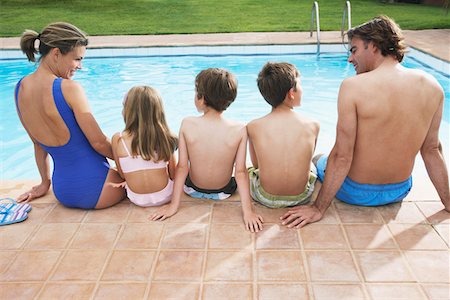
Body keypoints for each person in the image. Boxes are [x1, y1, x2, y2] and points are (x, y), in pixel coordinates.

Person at [281, 15, 450, 228]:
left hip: (354, 192)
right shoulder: (433, 86)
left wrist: (318, 208)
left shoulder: (353, 87)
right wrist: (448, 202)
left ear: (373, 46)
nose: (350, 59)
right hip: (399, 190)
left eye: (354, 50)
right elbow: (432, 149)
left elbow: (343, 156)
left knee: (319, 159)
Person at [15, 22, 126, 209]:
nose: (80, 66)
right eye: (77, 59)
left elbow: (37, 144)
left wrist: (45, 183)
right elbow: (98, 142)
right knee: (149, 181)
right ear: (56, 53)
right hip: (99, 188)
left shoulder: (20, 88)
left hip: (63, 192)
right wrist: (132, 160)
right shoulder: (69, 88)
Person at [150, 68, 264, 232]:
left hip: (192, 190)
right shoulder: (239, 129)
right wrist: (248, 212)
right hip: (224, 192)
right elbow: (240, 172)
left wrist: (173, 206)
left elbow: (182, 167)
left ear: (202, 99)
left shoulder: (187, 124)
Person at [247, 62, 320, 208]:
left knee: (250, 169)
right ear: (291, 93)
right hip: (301, 197)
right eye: (299, 85)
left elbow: (256, 165)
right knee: (313, 165)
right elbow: (307, 158)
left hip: (265, 197)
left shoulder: (253, 126)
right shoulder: (312, 125)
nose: (302, 89)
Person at [111, 86, 178, 207]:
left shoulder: (118, 138)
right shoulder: (166, 137)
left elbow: (122, 174)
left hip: (136, 199)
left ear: (128, 110)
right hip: (166, 195)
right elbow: (173, 174)